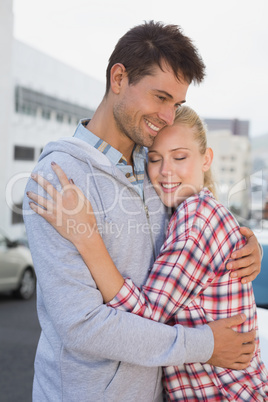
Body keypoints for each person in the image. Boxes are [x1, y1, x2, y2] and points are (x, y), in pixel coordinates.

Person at [23, 21, 262, 401]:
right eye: (161, 97)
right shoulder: (56, 180)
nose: (168, 117)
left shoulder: (153, 168)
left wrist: (244, 242)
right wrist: (203, 345)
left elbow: (194, 237)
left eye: (177, 104)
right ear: (119, 78)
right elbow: (83, 326)